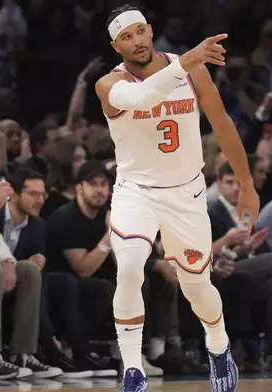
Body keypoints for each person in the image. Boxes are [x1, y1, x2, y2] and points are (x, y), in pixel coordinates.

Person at [94, 5, 259, 392]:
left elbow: (222, 123)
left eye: (140, 32)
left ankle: (218, 346)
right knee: (131, 265)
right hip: (136, 192)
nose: (136, 41)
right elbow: (146, 96)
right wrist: (188, 60)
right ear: (115, 45)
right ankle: (133, 371)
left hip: (186, 193)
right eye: (126, 37)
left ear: (150, 31)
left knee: (197, 286)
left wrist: (247, 183)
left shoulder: (192, 70)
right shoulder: (109, 85)